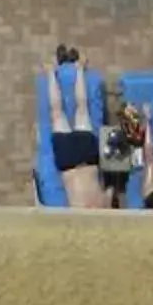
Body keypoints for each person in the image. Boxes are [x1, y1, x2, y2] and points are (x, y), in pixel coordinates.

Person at [44, 49, 112, 210]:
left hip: (88, 160)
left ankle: (79, 67)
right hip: (69, 164)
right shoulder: (77, 213)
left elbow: (109, 191)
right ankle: (51, 72)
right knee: (58, 113)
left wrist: (108, 195)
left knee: (82, 109)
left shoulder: (102, 209)